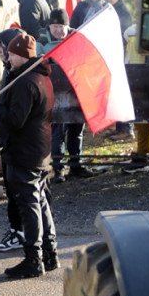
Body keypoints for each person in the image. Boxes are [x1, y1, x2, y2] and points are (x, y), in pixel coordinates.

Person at [0, 32, 58, 278]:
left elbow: (16, 121)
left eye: (12, 54)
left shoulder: (26, 82)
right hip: (39, 150)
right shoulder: (39, 77)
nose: (8, 57)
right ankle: (50, 254)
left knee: (30, 205)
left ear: (22, 56)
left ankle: (33, 259)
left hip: (26, 152)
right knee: (39, 202)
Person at [38, 9, 93, 181]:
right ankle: (58, 168)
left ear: (67, 26)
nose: (59, 31)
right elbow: (37, 65)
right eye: (55, 27)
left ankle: (76, 165)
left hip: (76, 92)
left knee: (76, 130)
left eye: (62, 27)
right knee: (57, 132)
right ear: (50, 27)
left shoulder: (76, 38)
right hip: (56, 95)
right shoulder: (42, 42)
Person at [0, 27, 27, 254]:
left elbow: (16, 116)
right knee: (13, 191)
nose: (0, 52)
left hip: (22, 147)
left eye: (2, 47)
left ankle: (21, 234)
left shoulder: (20, 75)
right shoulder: (8, 71)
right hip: (10, 142)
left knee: (20, 194)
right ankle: (19, 231)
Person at [103, 0, 133, 140]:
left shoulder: (123, 12)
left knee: (121, 93)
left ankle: (126, 129)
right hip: (112, 56)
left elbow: (124, 36)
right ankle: (118, 126)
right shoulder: (110, 9)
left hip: (120, 57)